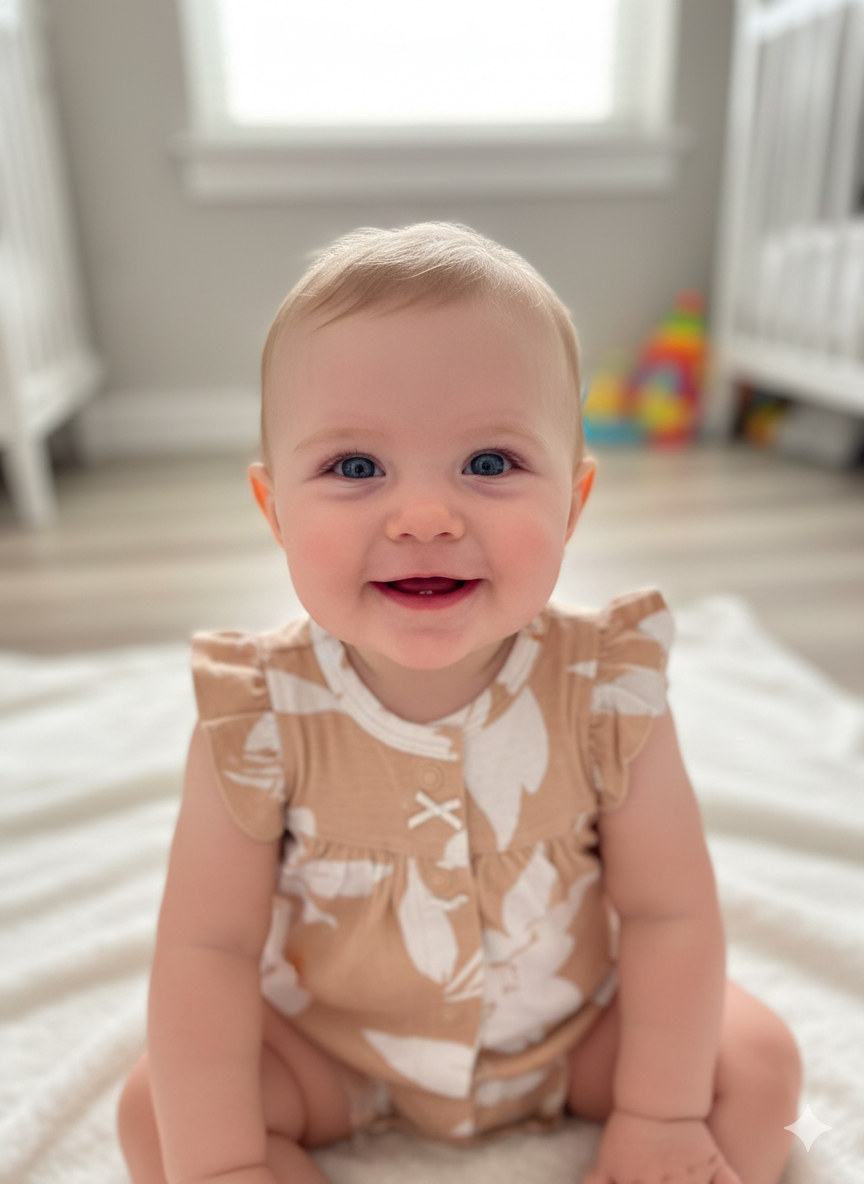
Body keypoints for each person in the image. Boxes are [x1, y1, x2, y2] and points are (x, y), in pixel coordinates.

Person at [118, 223, 801, 1184]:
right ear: (276, 513)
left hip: (573, 1035)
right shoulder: (258, 714)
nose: (426, 517)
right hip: (336, 1051)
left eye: (489, 463)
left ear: (573, 503)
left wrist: (660, 1113)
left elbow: (669, 914)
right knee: (161, 1116)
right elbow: (209, 949)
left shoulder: (608, 688)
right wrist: (224, 1164)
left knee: (758, 1067)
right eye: (356, 468)